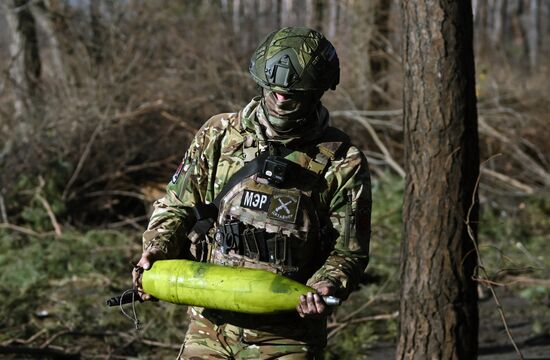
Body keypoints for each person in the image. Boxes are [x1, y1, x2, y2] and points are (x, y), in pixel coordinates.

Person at [132, 26, 371, 359]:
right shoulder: (219, 135)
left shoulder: (342, 161)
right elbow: (176, 206)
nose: (282, 97)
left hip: (288, 337)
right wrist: (156, 249)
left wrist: (325, 284)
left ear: (318, 90)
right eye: (274, 89)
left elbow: (349, 252)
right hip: (209, 326)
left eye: (294, 91)